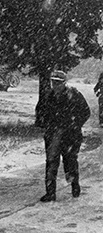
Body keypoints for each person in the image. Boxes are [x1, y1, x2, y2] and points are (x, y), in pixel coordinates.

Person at [36, 70, 90, 202]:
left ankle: (74, 185)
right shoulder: (48, 96)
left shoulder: (74, 94)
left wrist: (74, 125)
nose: (55, 85)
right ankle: (50, 192)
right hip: (53, 134)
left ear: (64, 83)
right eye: (53, 82)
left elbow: (85, 112)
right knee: (51, 162)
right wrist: (45, 124)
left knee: (70, 161)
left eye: (58, 82)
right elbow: (40, 112)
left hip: (70, 135)